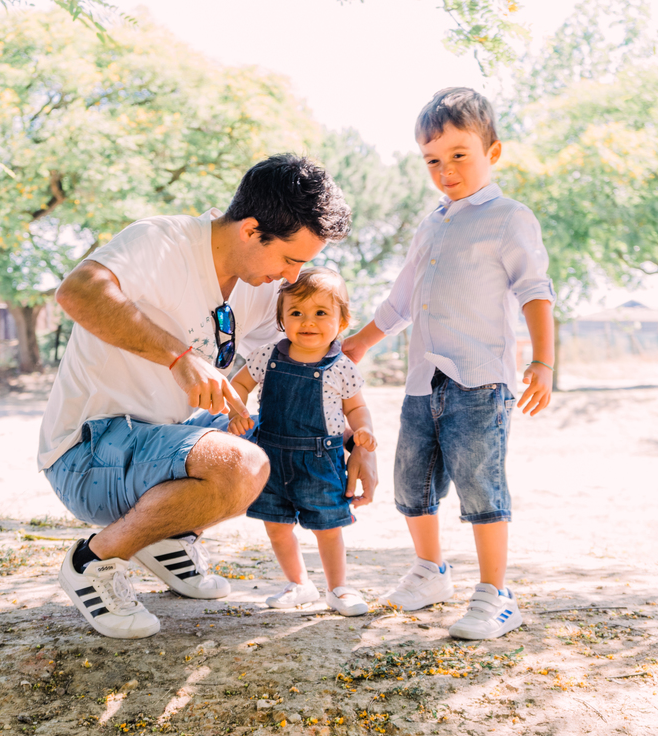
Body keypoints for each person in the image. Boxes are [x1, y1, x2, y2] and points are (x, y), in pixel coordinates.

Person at [41, 154, 375, 639]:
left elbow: (312, 366)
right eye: (289, 257)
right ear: (250, 230)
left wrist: (355, 441)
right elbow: (77, 292)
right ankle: (91, 561)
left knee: (284, 443)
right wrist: (180, 357)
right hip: (87, 453)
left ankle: (167, 536)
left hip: (163, 442)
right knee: (242, 463)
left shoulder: (262, 291)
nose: (292, 276)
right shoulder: (162, 242)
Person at [342, 87, 556, 640]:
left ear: (494, 151)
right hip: (423, 380)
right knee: (410, 485)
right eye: (433, 160)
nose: (446, 169)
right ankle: (430, 571)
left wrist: (543, 362)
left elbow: (535, 290)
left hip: (480, 382)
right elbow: (402, 300)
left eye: (460, 154)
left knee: (481, 489)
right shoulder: (431, 224)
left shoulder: (510, 218)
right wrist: (360, 342)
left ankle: (496, 594)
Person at [226, 268, 376, 617]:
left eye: (321, 313)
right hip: (270, 457)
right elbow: (240, 384)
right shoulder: (267, 355)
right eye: (296, 313)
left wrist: (364, 432)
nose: (308, 321)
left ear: (342, 321)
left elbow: (357, 406)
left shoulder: (342, 367)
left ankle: (338, 588)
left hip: (320, 461)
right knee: (277, 528)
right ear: (282, 319)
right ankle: (298, 583)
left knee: (328, 528)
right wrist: (237, 410)